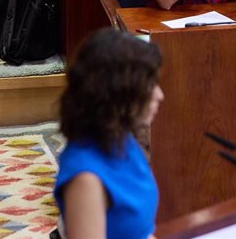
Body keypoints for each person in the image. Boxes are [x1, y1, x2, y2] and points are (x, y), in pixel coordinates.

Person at [53, 29, 164, 239]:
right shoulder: (85, 177)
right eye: (149, 86)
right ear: (119, 93)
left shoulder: (124, 139)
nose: (160, 94)